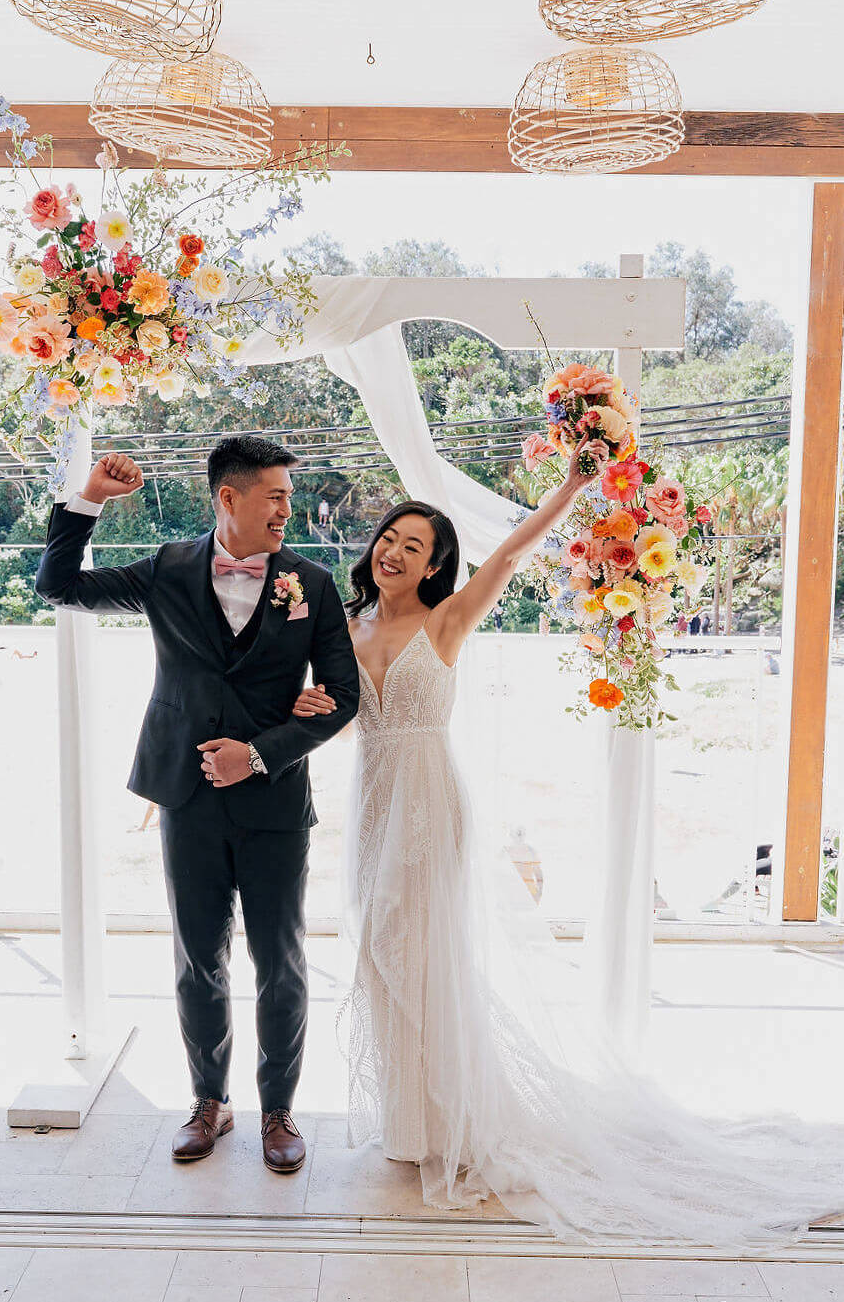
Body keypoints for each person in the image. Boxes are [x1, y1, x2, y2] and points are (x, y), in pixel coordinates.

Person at [292, 444, 844, 1244]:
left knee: (427, 955)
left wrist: (572, 487)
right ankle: (409, 1125)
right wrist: (309, 710)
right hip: (374, 801)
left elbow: (513, 552)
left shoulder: (448, 618)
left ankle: (450, 1121)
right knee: (381, 951)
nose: (395, 551)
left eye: (415, 545)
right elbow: (342, 718)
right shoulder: (345, 628)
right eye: (390, 537)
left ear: (436, 564)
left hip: (430, 801)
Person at [36, 435, 360, 1174]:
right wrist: (89, 499)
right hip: (186, 796)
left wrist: (262, 752)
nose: (286, 510)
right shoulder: (168, 568)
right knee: (196, 958)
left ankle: (278, 1109)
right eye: (275, 496)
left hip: (274, 801)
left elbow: (343, 695)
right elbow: (59, 586)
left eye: (288, 497)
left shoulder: (312, 582)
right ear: (229, 498)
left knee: (281, 961)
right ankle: (209, 1101)